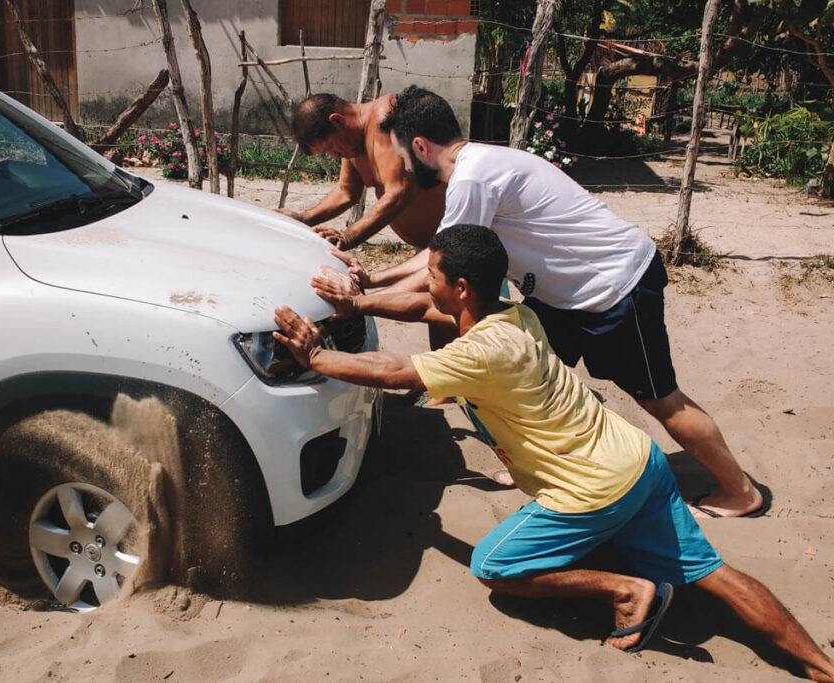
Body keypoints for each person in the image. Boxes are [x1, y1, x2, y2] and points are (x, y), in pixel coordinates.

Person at [272, 225, 834, 679]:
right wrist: (361, 307)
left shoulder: (480, 352)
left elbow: (396, 372)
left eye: (433, 274)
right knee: (714, 573)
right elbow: (424, 310)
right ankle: (820, 664)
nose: (427, 283)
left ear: (461, 286)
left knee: (495, 565)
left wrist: (317, 357)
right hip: (639, 461)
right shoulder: (515, 313)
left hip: (591, 489)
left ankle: (626, 588)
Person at [336, 85, 764, 519]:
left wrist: (368, 292)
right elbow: (441, 254)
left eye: (404, 157)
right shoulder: (478, 163)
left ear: (421, 146)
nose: (404, 168)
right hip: (562, 296)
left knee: (660, 400)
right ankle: (550, 468)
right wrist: (374, 279)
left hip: (615, 286)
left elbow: (443, 264)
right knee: (530, 378)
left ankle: (739, 490)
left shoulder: (472, 178)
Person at [279, 93, 445, 251]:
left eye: (330, 147)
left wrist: (349, 237)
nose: (334, 156)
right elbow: (346, 192)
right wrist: (303, 219)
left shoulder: (387, 117)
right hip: (430, 248)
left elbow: (399, 191)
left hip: (457, 243)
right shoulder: (352, 143)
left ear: (337, 121)